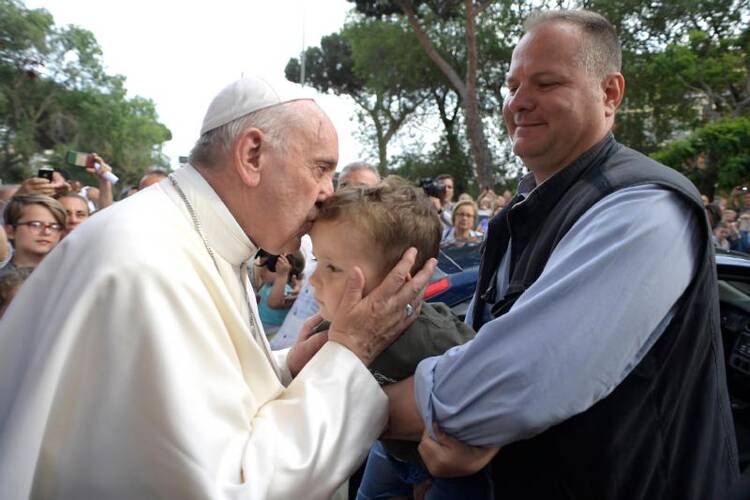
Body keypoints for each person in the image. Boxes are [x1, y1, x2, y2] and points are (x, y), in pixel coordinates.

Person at [0, 76, 436, 499]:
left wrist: (286, 368)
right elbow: (231, 485)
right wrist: (349, 353)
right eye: (320, 168)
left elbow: (202, 390)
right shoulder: (149, 263)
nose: (328, 193)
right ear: (252, 154)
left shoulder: (198, 236)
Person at [385, 10, 738, 500]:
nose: (519, 103)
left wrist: (368, 410)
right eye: (511, 85)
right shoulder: (537, 202)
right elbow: (486, 342)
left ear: (610, 94)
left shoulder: (644, 207)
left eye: (547, 83)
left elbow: (516, 381)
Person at [305, 177, 485, 499]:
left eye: (333, 268)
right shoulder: (326, 332)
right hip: (389, 452)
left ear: (401, 279)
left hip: (445, 465)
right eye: (318, 261)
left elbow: (487, 385)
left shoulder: (436, 339)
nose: (314, 281)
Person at [2, 194, 66, 271]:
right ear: (10, 231)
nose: (46, 232)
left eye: (55, 226)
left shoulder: (71, 278)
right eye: (36, 225)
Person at [255, 250, 304, 335]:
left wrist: (281, 277)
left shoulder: (287, 290)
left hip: (272, 332)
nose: (261, 271)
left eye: (268, 268)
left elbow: (274, 303)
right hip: (260, 326)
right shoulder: (268, 285)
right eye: (261, 266)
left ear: (285, 270)